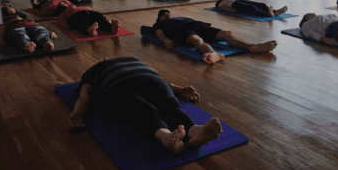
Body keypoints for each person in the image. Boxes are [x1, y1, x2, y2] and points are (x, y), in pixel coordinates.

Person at [68, 57, 222, 154]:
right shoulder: (131, 59)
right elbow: (167, 83)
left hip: (117, 86)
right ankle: (195, 130)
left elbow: (84, 96)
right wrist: (180, 89)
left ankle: (166, 136)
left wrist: (77, 113)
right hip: (151, 79)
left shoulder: (91, 73)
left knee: (144, 110)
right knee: (171, 106)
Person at [152, 9, 278, 64]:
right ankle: (214, 54)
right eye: (163, 13)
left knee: (227, 34)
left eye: (168, 12)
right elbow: (159, 33)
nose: (167, 14)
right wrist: (166, 40)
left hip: (198, 25)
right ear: (160, 18)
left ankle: (252, 46)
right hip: (182, 31)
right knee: (196, 40)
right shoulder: (159, 24)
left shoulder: (180, 17)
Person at [214, 0, 288, 18]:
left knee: (261, 5)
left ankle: (276, 12)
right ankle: (266, 13)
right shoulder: (222, 3)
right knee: (251, 7)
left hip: (241, 0)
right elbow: (223, 8)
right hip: (235, 4)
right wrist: (230, 10)